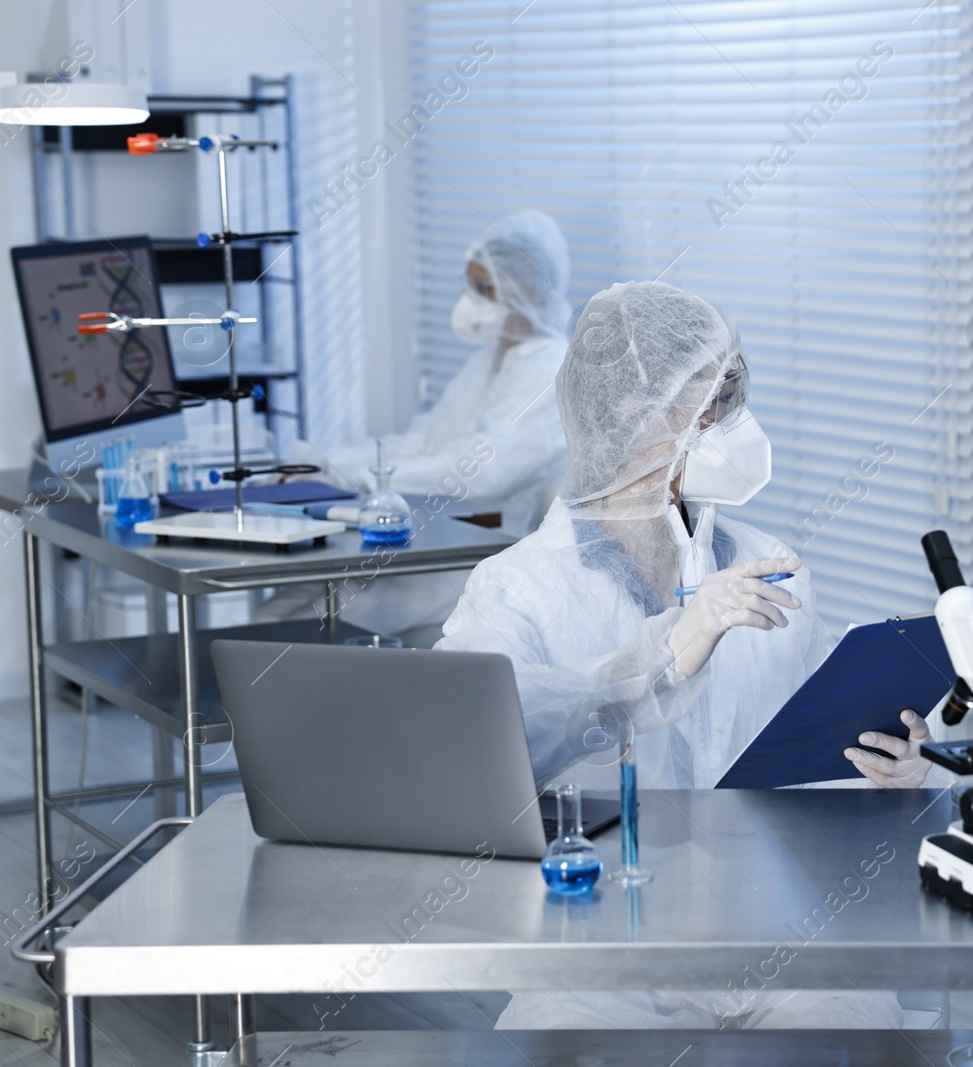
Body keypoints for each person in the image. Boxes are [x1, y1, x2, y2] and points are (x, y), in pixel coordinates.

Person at [436, 280, 901, 1029]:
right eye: (712, 397)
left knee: (857, 1031)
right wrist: (656, 657)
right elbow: (478, 746)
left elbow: (818, 760)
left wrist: (894, 777)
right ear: (629, 411)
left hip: (778, 941)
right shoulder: (520, 587)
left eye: (735, 392)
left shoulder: (771, 566)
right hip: (601, 959)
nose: (732, 420)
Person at [266, 209, 573, 636]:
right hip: (429, 536)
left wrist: (356, 477)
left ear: (523, 293)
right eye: (471, 285)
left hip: (477, 555)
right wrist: (324, 463)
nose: (471, 299)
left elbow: (481, 473)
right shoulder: (488, 361)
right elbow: (422, 443)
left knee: (295, 623)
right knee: (278, 610)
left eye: (485, 288)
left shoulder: (547, 373)